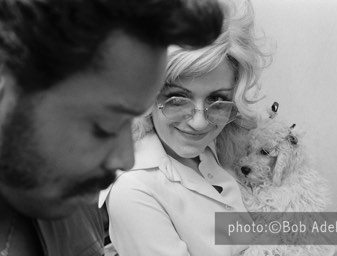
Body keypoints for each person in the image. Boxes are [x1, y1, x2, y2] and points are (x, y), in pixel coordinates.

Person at [0, 0, 224, 255]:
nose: (125, 159)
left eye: (219, 101)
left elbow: (250, 232)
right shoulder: (133, 188)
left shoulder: (72, 198)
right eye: (103, 127)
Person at [99, 0, 271, 255]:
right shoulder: (134, 190)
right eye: (177, 99)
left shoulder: (216, 146)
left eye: (216, 99)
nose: (199, 122)